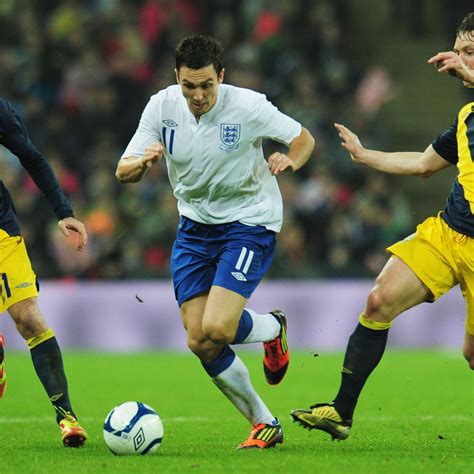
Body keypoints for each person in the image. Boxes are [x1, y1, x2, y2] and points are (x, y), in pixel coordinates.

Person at [116, 34, 315, 449]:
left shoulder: (248, 106)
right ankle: (264, 422)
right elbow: (123, 171)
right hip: (193, 228)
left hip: (248, 222)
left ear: (221, 76)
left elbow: (303, 138)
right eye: (189, 86)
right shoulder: (161, 106)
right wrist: (143, 164)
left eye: (206, 85)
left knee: (219, 327)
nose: (198, 95)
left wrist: (291, 159)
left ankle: (272, 327)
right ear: (177, 77)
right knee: (199, 339)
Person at [291, 12, 474, 441]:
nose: (459, 60)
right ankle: (341, 412)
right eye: (458, 50)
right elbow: (424, 163)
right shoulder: (467, 115)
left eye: (470, 52)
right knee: (379, 301)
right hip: (449, 234)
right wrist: (365, 154)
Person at [0, 98, 88, 447]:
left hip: (1, 231)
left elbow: (32, 158)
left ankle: (67, 417)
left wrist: (63, 211)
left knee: (28, 319)